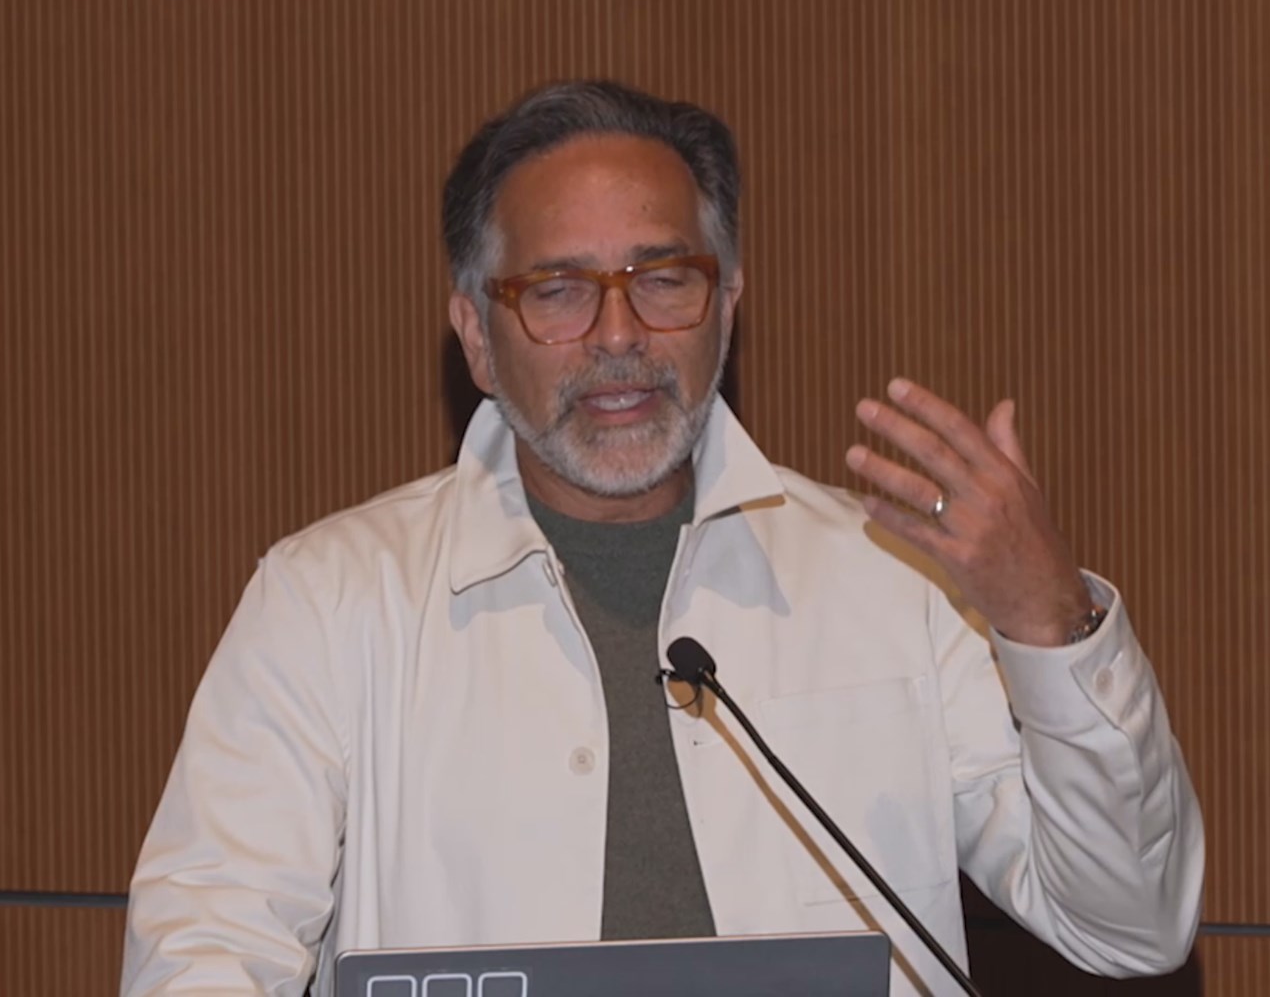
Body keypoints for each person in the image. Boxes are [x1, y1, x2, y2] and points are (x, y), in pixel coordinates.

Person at [121, 80, 1204, 997]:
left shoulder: (894, 581)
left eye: (662, 280)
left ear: (725, 309)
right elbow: (205, 950)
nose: (619, 335)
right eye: (557, 292)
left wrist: (1049, 623)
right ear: (478, 338)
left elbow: (1131, 925)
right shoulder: (329, 598)